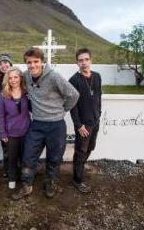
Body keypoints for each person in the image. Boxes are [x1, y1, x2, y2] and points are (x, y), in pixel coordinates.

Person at [12, 48, 79, 200]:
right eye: (29, 62)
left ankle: (50, 182)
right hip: (37, 124)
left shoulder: (54, 77)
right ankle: (27, 185)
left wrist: (63, 110)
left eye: (36, 61)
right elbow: (12, 78)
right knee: (28, 156)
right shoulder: (26, 77)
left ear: (42, 62)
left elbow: (73, 95)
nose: (32, 65)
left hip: (56, 125)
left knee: (54, 158)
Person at [69, 48, 102, 193]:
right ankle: (77, 179)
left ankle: (80, 167)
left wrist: (99, 113)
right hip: (83, 125)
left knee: (90, 148)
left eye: (86, 59)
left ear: (91, 60)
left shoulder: (97, 76)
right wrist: (78, 124)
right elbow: (72, 105)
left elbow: (98, 96)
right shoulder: (74, 80)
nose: (84, 63)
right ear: (77, 63)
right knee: (81, 151)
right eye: (81, 60)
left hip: (95, 121)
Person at [0, 67, 30, 189]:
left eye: (16, 77)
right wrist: (2, 133)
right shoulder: (3, 94)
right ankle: (12, 178)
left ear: (20, 78)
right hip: (11, 133)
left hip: (26, 132)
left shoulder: (27, 92)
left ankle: (25, 178)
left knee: (25, 157)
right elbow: (0, 115)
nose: (13, 80)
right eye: (10, 78)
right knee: (11, 158)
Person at [0, 53, 13, 178]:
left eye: (5, 62)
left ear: (10, 64)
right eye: (0, 64)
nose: (3, 65)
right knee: (6, 147)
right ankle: (7, 169)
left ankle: (18, 168)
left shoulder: (18, 76)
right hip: (3, 118)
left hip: (18, 118)